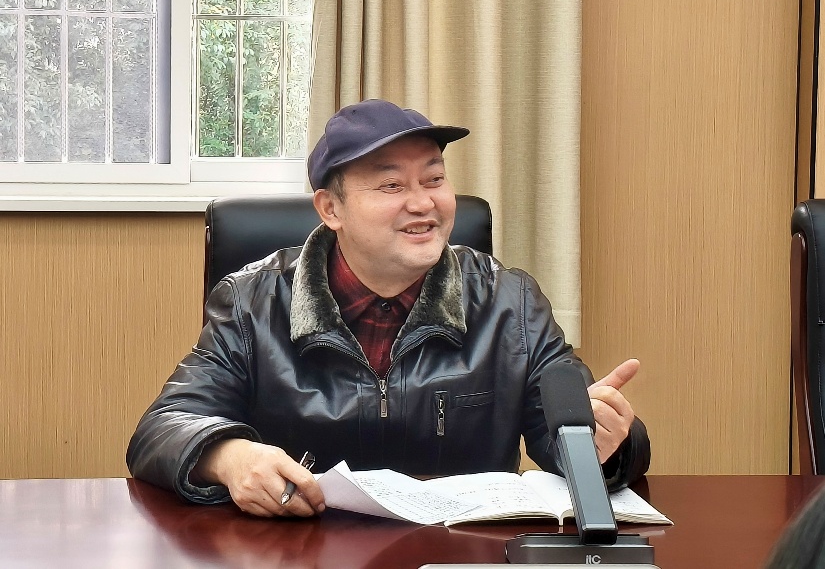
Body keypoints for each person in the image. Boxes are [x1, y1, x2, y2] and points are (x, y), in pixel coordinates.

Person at [127, 98, 650, 518]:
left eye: (434, 179)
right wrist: (229, 456)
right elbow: (162, 428)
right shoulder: (252, 302)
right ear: (331, 208)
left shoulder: (510, 301)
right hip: (302, 551)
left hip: (458, 555)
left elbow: (571, 434)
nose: (423, 203)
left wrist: (605, 441)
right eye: (392, 185)